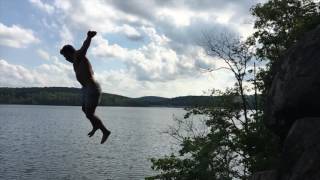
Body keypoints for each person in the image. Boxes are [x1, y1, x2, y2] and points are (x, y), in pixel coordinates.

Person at [60, 30, 111, 144]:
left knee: (89, 113)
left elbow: (84, 48)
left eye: (65, 56)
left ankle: (105, 131)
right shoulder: (75, 61)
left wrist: (89, 37)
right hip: (86, 89)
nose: (66, 59)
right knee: (85, 110)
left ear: (69, 53)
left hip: (92, 87)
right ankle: (96, 126)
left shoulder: (78, 55)